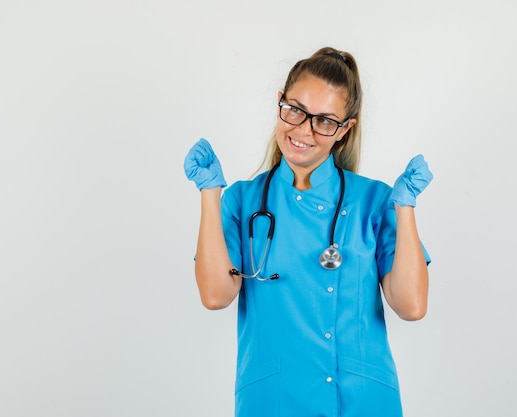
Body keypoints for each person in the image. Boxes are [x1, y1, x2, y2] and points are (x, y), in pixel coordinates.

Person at [183, 46, 433, 417]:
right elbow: (216, 295)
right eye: (295, 110)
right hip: (273, 401)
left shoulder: (375, 201)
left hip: (362, 402)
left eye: (325, 120)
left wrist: (406, 207)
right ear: (280, 102)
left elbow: (411, 306)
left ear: (345, 129)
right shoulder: (242, 201)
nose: (303, 130)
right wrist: (209, 194)